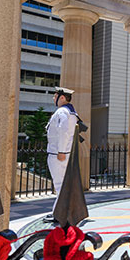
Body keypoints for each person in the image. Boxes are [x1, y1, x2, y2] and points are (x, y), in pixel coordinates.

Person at [46, 86, 79, 214]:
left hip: (58, 154)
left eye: (55, 96)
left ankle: (60, 213)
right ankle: (60, 211)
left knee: (60, 185)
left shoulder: (62, 112)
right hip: (62, 153)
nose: (53, 98)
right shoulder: (69, 112)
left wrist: (61, 151)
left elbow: (63, 132)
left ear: (62, 98)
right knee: (62, 185)